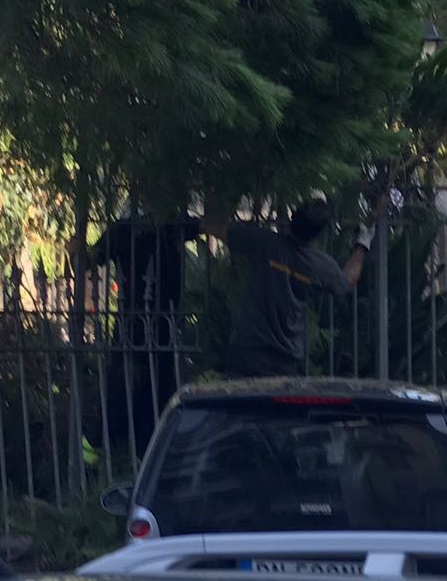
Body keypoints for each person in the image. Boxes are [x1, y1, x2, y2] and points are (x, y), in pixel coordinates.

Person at [205, 193, 373, 378]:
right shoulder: (319, 266)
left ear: (292, 218)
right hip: (284, 359)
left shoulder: (264, 242)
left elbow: (223, 231)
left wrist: (196, 225)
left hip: (247, 350)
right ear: (317, 233)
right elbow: (347, 281)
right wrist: (362, 244)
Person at [77, 211, 203, 454]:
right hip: (142, 325)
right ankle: (106, 449)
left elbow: (91, 259)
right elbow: (92, 260)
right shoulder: (136, 228)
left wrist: (79, 252)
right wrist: (79, 252)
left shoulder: (167, 224)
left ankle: (136, 451)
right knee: (132, 387)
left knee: (150, 389)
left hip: (155, 325)